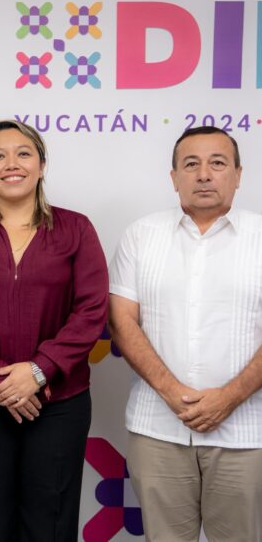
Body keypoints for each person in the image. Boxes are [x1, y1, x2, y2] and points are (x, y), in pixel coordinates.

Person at [0, 120, 108, 542]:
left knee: (50, 522)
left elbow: (91, 309)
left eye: (23, 153)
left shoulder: (76, 228)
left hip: (59, 402)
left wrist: (39, 371)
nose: (11, 163)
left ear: (42, 166)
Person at [108, 126, 262, 542]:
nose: (204, 174)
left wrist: (228, 398)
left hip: (246, 433)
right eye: (191, 164)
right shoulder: (142, 235)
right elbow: (121, 321)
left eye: (218, 163)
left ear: (238, 174)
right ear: (174, 177)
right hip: (158, 428)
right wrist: (172, 391)